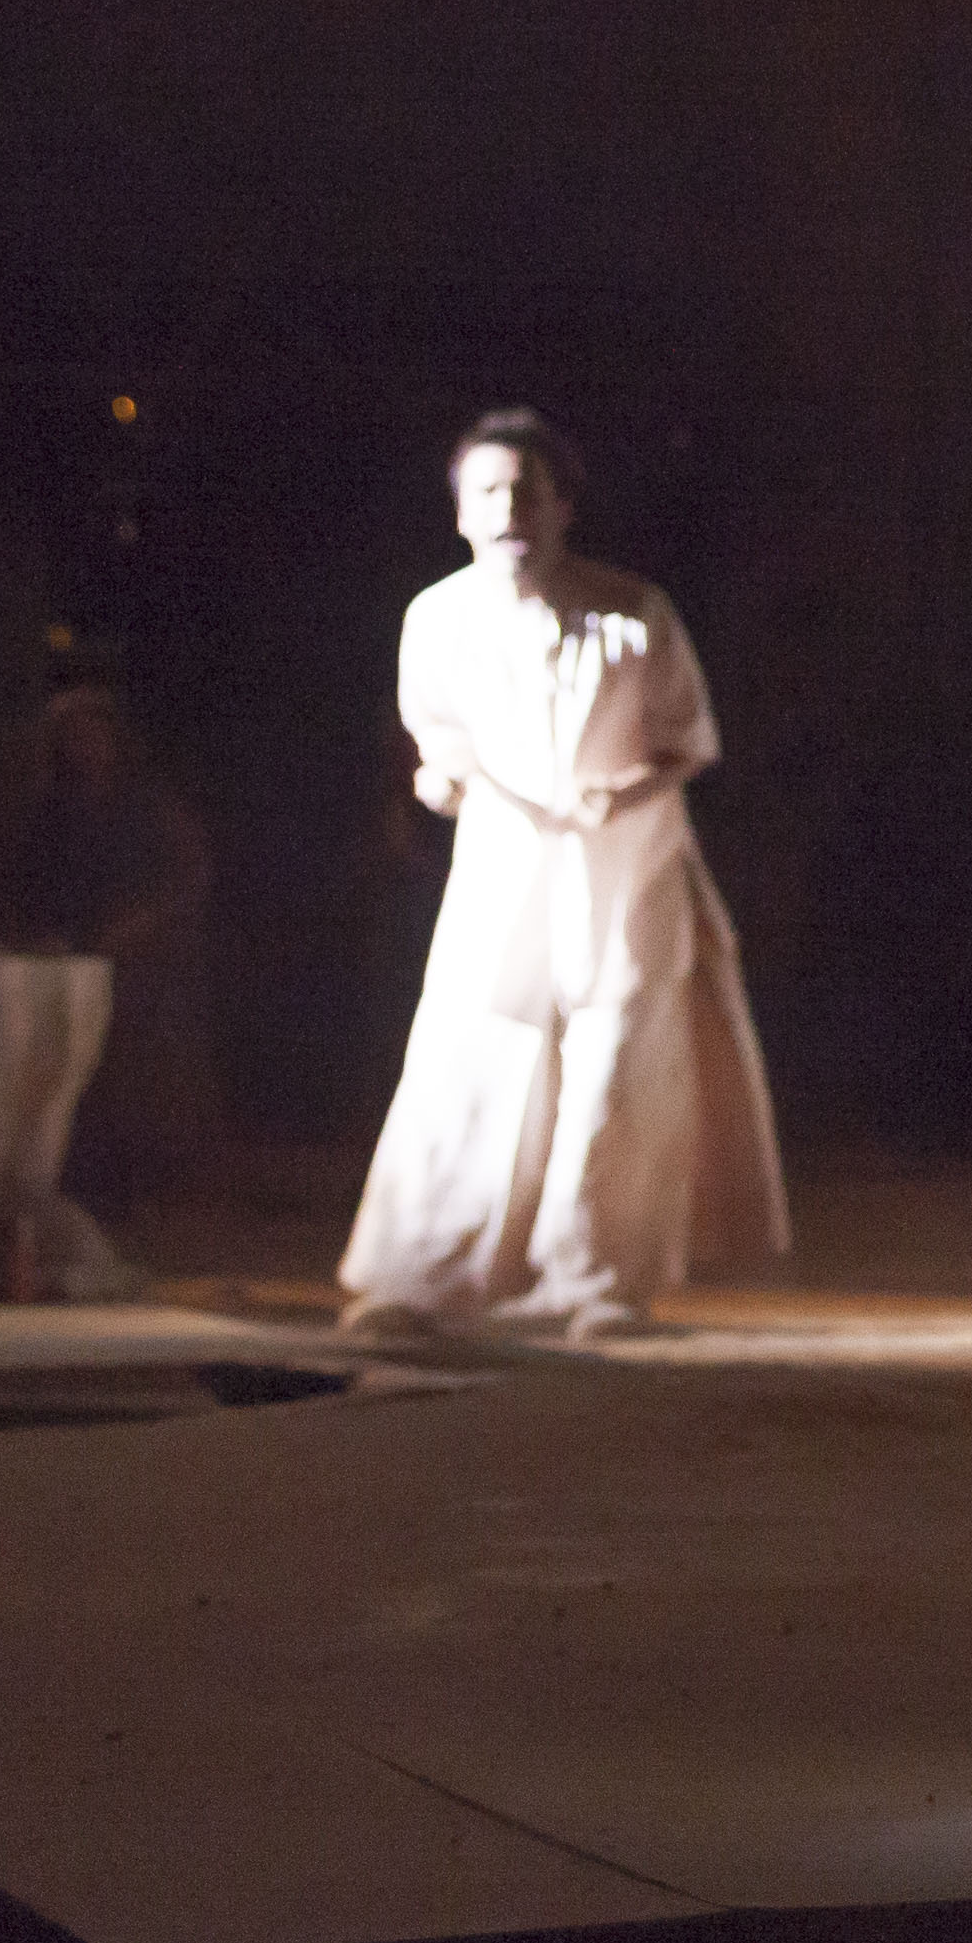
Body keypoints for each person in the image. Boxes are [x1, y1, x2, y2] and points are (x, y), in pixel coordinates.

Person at [338, 408, 788, 1340]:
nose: (509, 511)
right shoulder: (438, 618)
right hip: (503, 872)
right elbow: (439, 741)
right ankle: (427, 1276)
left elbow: (688, 739)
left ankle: (597, 1282)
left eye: (527, 493)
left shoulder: (633, 612)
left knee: (615, 1068)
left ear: (562, 507)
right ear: (461, 511)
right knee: (471, 1058)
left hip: (627, 872)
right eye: (488, 493)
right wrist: (440, 779)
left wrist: (618, 794)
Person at [13, 681, 224, 1204]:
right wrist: (52, 936)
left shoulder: (147, 807)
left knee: (144, 1072)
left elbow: (184, 876)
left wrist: (139, 925)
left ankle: (154, 1175)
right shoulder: (50, 813)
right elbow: (32, 885)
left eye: (92, 734)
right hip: (72, 960)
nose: (83, 747)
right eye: (72, 737)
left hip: (144, 963)